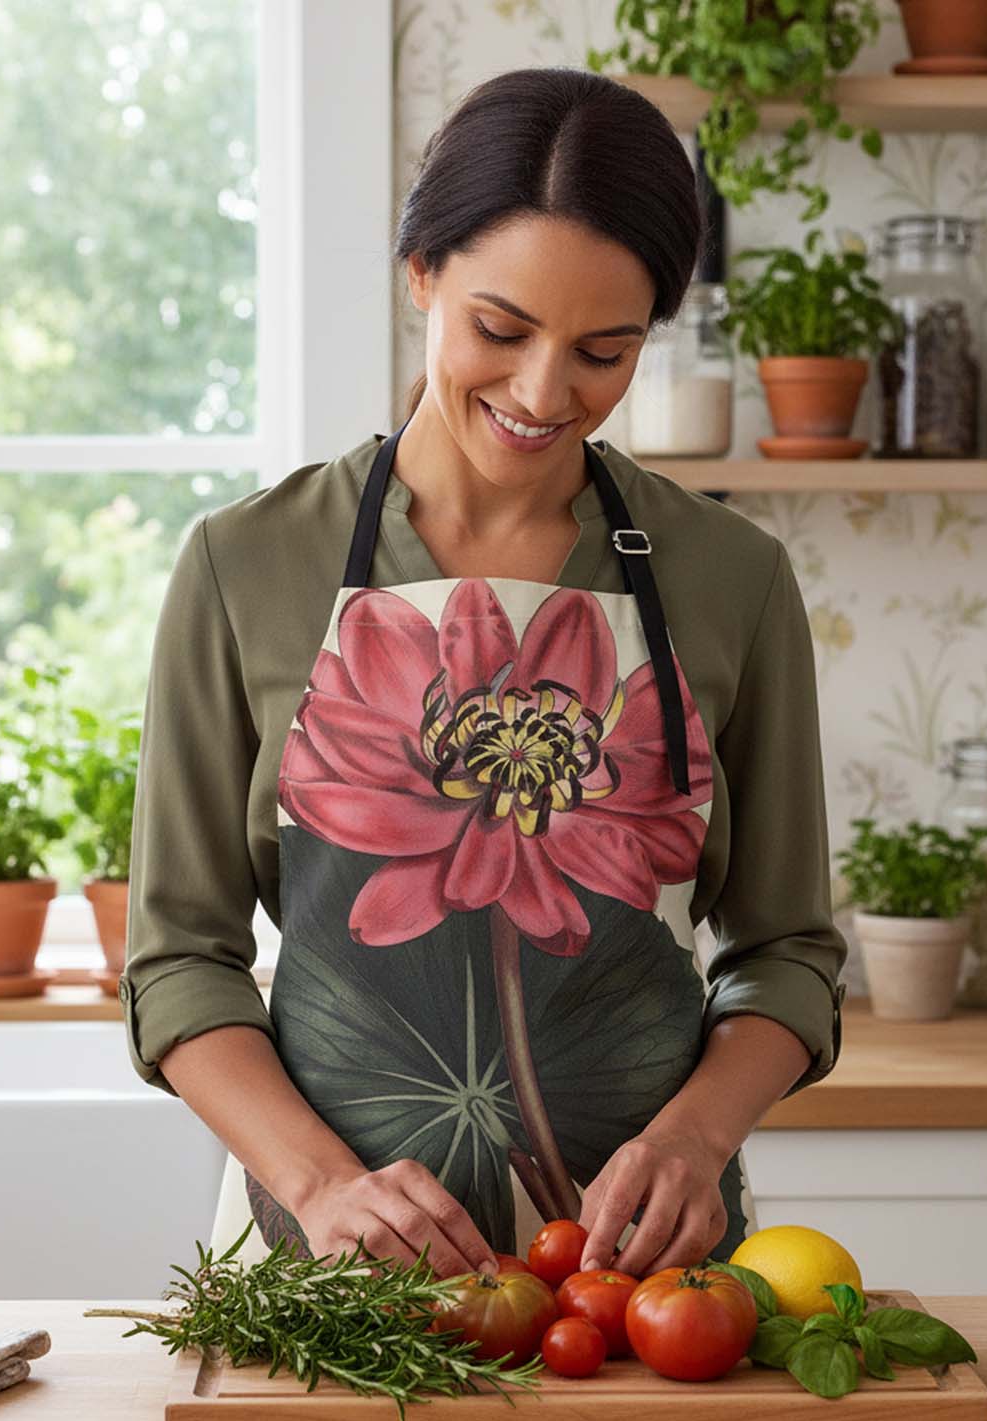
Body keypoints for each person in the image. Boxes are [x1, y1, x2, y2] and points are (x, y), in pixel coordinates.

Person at [119, 65, 847, 1286]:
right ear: (422, 276)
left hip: (642, 1297)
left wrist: (697, 1135)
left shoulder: (734, 578)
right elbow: (178, 960)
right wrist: (322, 1185)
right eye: (500, 331)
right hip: (331, 1289)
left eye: (604, 351)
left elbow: (787, 950)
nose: (543, 393)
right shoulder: (244, 565)